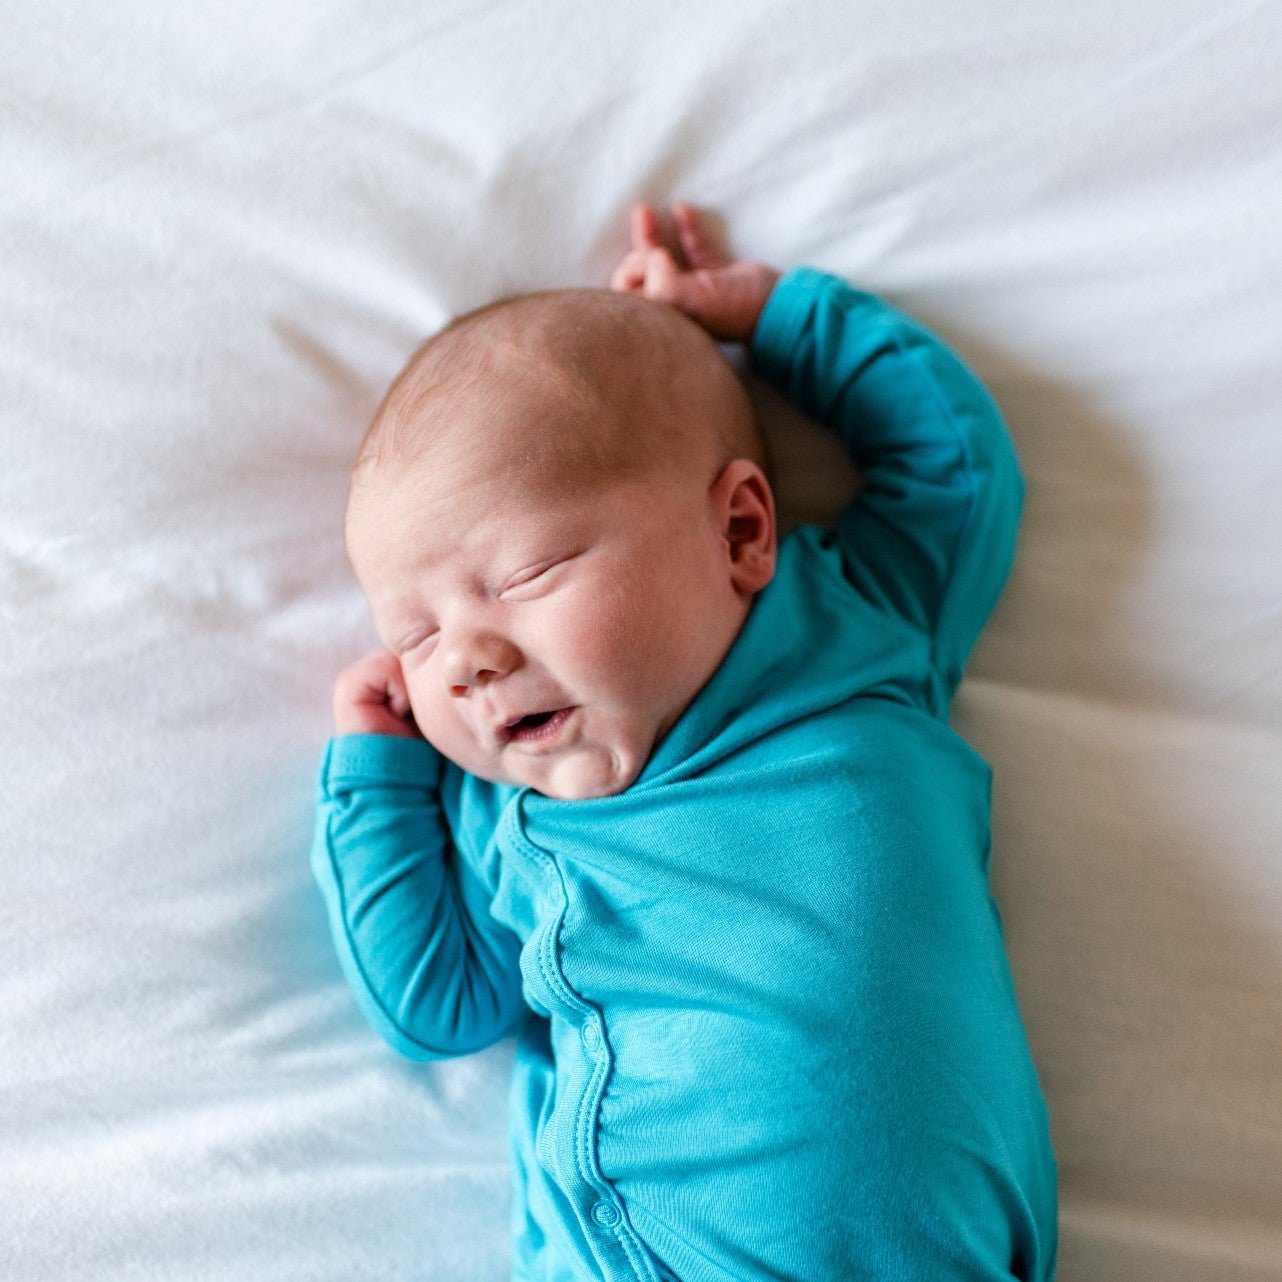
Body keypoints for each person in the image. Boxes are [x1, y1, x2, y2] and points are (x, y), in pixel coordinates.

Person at [312, 203, 1058, 1281]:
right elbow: (434, 1004)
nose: (464, 660)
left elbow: (955, 464)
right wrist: (380, 779)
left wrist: (768, 316)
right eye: (414, 636)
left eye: (521, 576)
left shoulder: (849, 631)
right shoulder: (515, 818)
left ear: (740, 532)